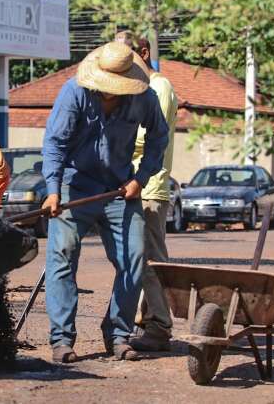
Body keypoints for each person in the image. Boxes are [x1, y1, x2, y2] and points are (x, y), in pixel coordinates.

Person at [41, 41, 169, 363]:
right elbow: (55, 143)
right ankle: (62, 339)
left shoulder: (145, 98)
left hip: (118, 190)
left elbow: (158, 137)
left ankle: (118, 333)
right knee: (62, 256)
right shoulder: (74, 93)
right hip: (74, 185)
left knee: (134, 258)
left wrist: (140, 179)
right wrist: (53, 190)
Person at [116, 31, 179, 352]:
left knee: (153, 259)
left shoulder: (160, 87)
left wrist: (119, 133)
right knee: (138, 257)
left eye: (128, 56)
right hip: (136, 187)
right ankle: (147, 318)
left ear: (143, 51)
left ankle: (160, 325)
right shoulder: (140, 88)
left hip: (152, 188)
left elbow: (151, 136)